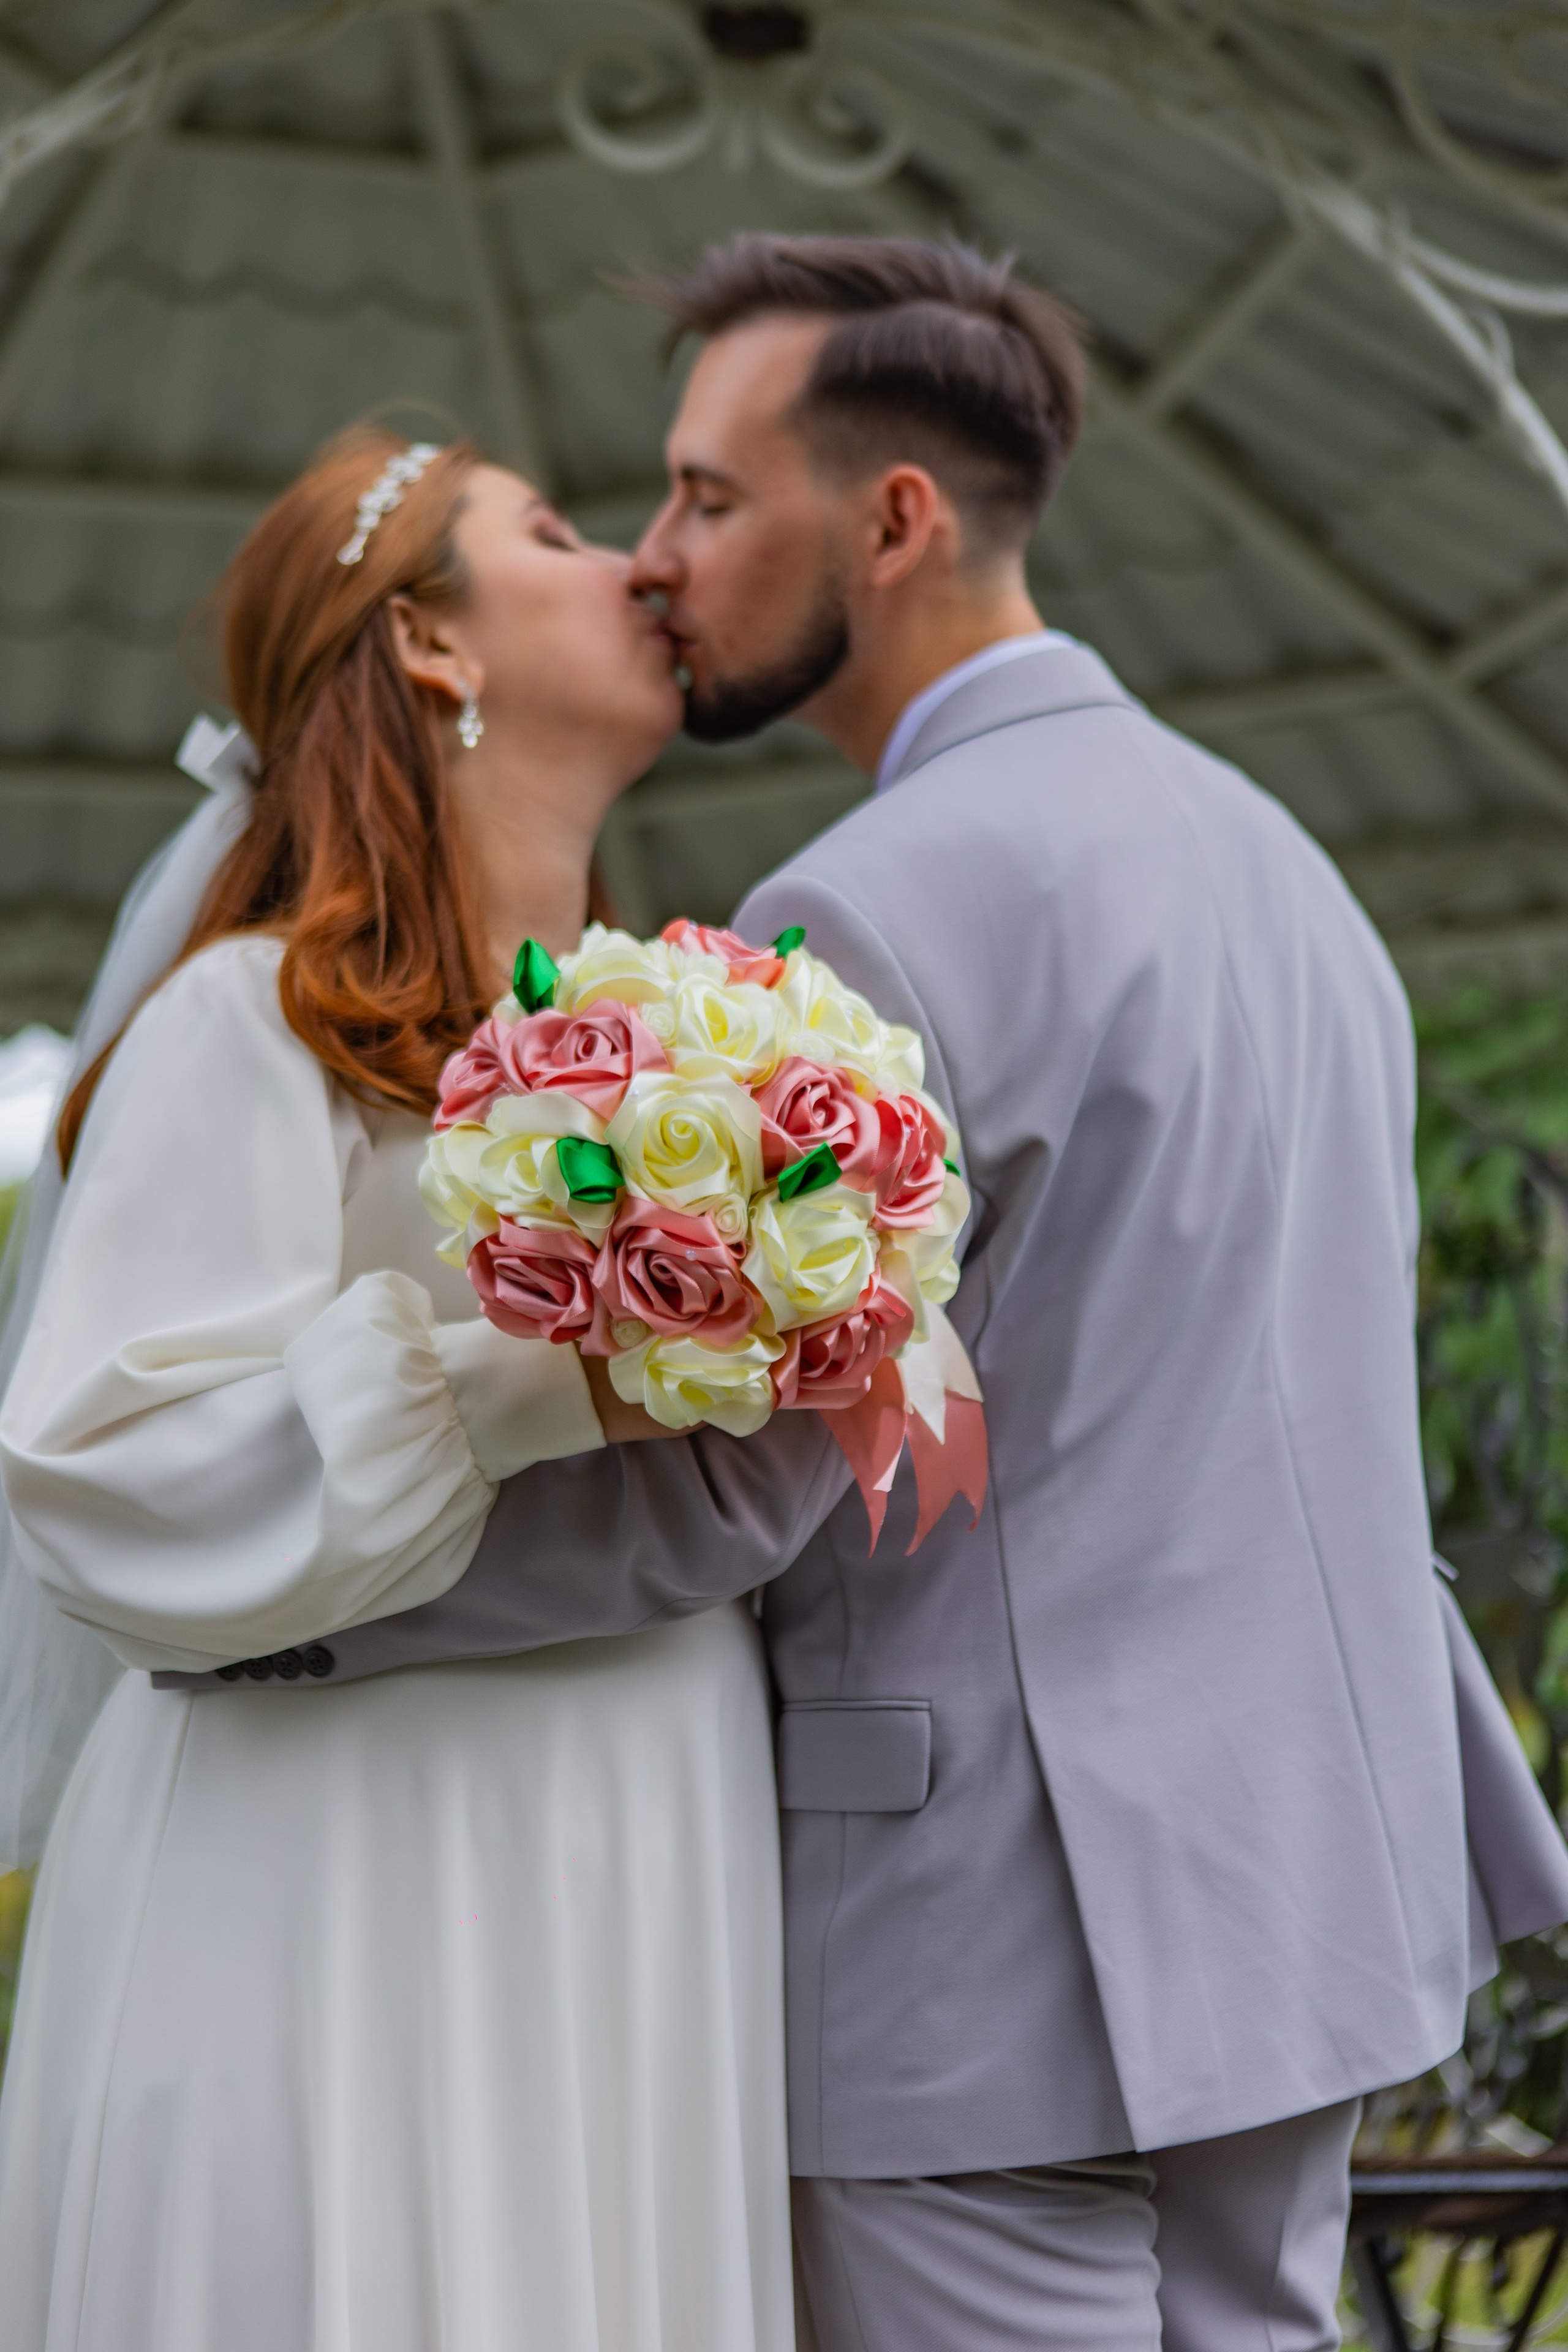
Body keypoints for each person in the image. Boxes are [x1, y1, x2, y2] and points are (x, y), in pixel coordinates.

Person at [0, 427, 799, 2352]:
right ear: (432, 643)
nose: (638, 567)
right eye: (555, 530)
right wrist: (539, 1384)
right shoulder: (245, 1022)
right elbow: (98, 1465)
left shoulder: (688, 1047)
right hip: (348, 1889)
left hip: (642, 1859)